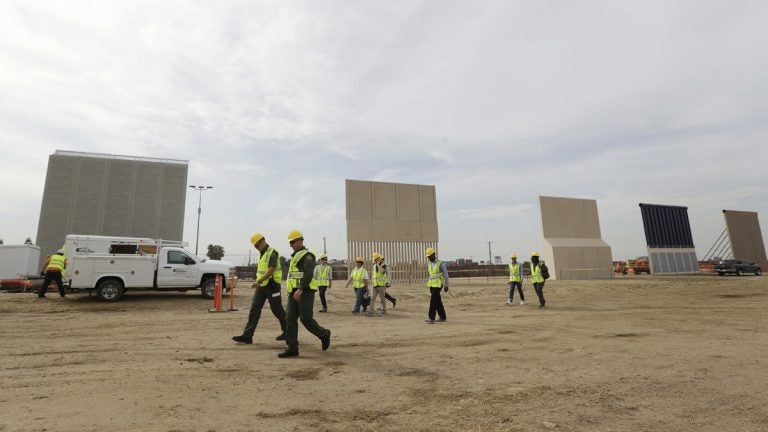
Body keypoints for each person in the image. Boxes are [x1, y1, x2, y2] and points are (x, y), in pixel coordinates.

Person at [278, 229, 331, 358]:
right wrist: (293, 290)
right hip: (293, 292)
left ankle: (324, 334)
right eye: (290, 242)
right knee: (289, 318)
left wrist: (301, 289)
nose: (290, 244)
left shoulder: (308, 256)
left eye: (293, 242)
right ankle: (292, 348)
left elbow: (308, 274)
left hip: (305, 291)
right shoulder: (295, 256)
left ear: (301, 241)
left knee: (305, 319)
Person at [232, 233, 287, 344]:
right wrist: (258, 281)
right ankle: (247, 336)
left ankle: (289, 332)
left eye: (257, 245)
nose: (256, 247)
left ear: (262, 241)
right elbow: (262, 270)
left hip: (272, 286)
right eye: (255, 246)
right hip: (262, 286)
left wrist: (259, 281)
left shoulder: (273, 252)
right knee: (254, 309)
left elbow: (271, 269)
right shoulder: (262, 254)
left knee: (278, 310)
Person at [424, 247, 450, 323]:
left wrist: (446, 285)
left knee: (433, 300)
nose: (429, 258)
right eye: (428, 257)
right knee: (437, 300)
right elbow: (430, 274)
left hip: (439, 284)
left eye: (430, 256)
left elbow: (446, 274)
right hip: (431, 285)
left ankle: (431, 318)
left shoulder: (440, 263)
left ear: (434, 254)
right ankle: (443, 317)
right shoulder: (429, 264)